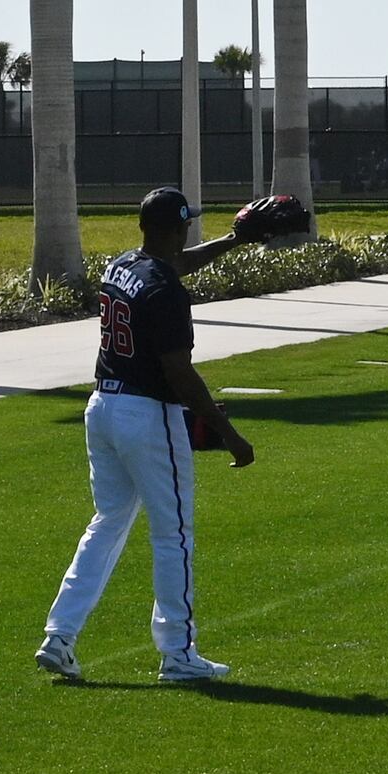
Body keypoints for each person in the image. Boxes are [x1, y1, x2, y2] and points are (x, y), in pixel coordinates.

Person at [38, 187, 255, 685]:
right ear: (178, 228)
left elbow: (171, 267)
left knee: (108, 522)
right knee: (173, 533)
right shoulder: (165, 289)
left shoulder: (125, 265)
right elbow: (179, 371)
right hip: (147, 416)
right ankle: (178, 652)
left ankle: (60, 634)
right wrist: (229, 433)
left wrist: (234, 241)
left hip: (102, 408)